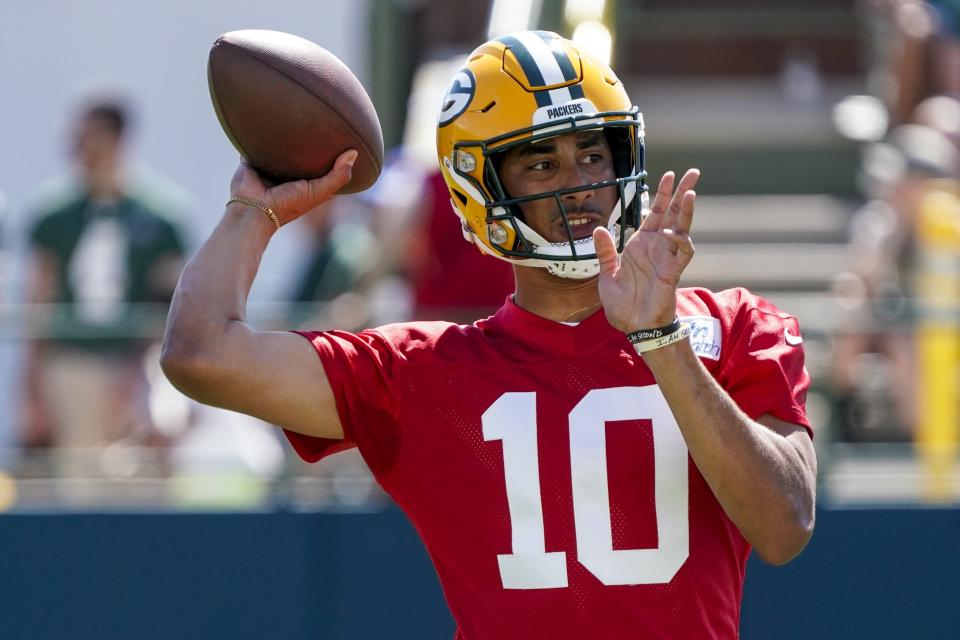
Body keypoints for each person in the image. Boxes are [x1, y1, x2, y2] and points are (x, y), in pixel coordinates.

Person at [162, 31, 816, 639]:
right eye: (542, 164)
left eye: (592, 154)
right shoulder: (420, 371)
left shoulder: (732, 326)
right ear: (483, 191)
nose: (580, 185)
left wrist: (661, 341)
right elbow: (201, 352)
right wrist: (255, 208)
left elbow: (785, 526)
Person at [22, 97, 187, 479]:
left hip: (138, 365)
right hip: (70, 365)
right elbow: (38, 306)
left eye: (89, 136)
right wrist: (30, 390)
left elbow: (167, 308)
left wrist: (136, 371)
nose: (79, 147)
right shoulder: (54, 216)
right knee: (79, 481)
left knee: (143, 476)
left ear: (117, 139)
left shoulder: (160, 217)